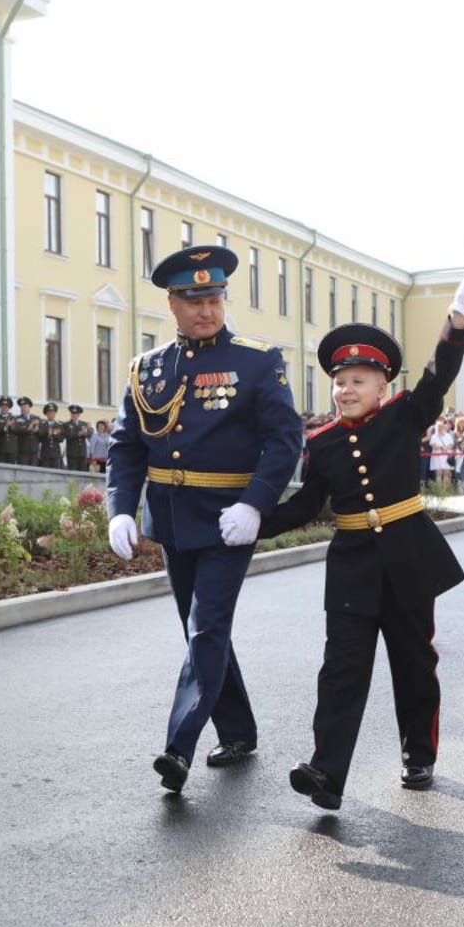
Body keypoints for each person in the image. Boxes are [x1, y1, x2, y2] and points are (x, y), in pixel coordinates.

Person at [258, 267, 464, 811]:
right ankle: (327, 773)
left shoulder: (406, 416)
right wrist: (250, 524)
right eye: (339, 381)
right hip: (352, 566)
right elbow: (307, 506)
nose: (346, 390)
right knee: (342, 667)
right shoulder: (324, 441)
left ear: (383, 387)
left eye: (358, 381)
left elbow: (437, 374)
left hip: (407, 558)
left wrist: (457, 320)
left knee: (413, 662)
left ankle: (419, 754)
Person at [106, 245, 303, 793]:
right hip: (172, 520)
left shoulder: (257, 359)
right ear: (172, 304)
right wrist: (120, 510)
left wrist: (255, 503)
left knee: (206, 626)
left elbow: (285, 439)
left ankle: (179, 748)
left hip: (229, 521)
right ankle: (238, 730)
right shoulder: (147, 368)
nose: (207, 311)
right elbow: (126, 447)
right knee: (201, 633)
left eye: (215, 298)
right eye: (194, 301)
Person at [38, 402, 66, 468]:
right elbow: (40, 438)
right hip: (45, 453)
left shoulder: (59, 425)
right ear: (46, 414)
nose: (52, 415)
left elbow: (61, 439)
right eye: (50, 413)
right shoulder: (43, 424)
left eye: (53, 413)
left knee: (56, 472)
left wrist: (55, 434)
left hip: (55, 453)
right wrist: (47, 433)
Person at [64, 404, 92, 472]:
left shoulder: (83, 424)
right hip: (72, 453)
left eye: (76, 414)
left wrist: (87, 431)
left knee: (83, 472)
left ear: (79, 415)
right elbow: (67, 435)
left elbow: (90, 434)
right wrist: (79, 433)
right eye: (72, 414)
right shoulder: (67, 424)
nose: (74, 415)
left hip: (82, 452)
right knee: (72, 472)